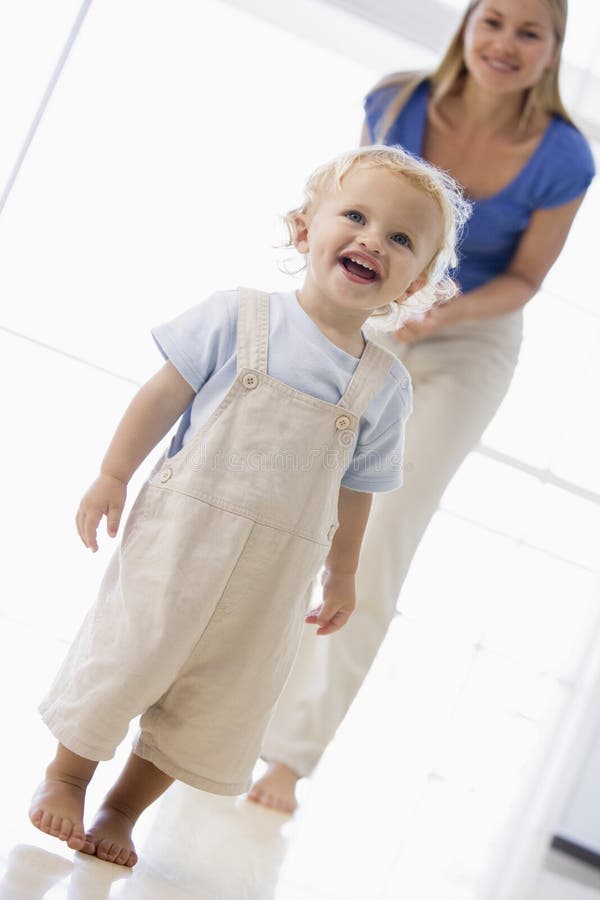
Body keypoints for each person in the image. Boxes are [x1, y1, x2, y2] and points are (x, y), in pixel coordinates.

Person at [28, 145, 469, 867]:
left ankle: (123, 805)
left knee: (217, 700)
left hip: (272, 577)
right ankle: (69, 774)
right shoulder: (238, 317)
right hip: (180, 540)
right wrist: (112, 474)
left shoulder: (385, 387)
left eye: (399, 238)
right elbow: (162, 395)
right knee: (126, 654)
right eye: (355, 216)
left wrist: (344, 573)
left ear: (414, 283)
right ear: (304, 230)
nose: (371, 240)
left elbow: (357, 488)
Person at [249, 0, 596, 813]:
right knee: (287, 499)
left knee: (382, 533)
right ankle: (230, 704)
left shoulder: (564, 155)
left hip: (467, 339)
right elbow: (351, 212)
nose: (506, 44)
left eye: (529, 32)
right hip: (374, 313)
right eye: (494, 22)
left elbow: (524, 279)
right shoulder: (396, 102)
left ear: (554, 51)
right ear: (467, 25)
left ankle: (290, 760)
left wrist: (444, 310)